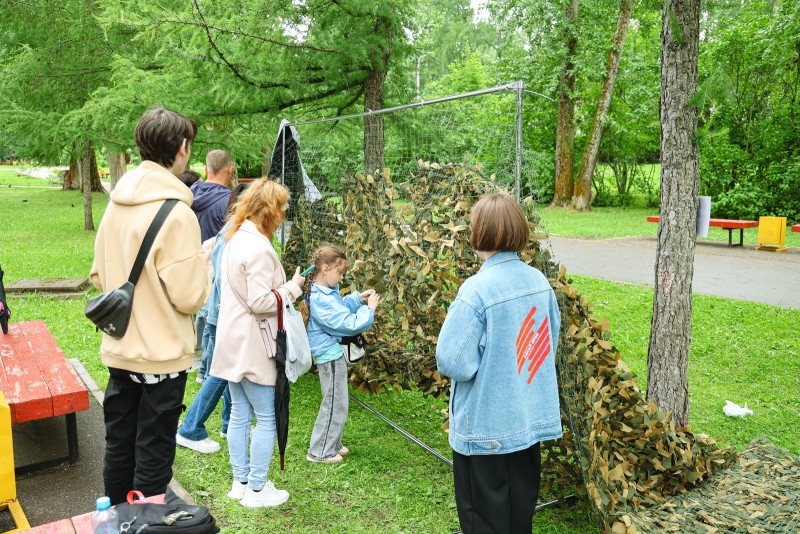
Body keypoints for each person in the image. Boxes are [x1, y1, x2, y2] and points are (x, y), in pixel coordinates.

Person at [89, 106, 210, 505]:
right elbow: (190, 296)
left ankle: (115, 521)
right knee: (153, 453)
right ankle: (145, 524)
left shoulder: (115, 203)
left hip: (120, 349)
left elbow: (97, 276)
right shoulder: (177, 212)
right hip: (161, 357)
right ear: (182, 147)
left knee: (119, 445)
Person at [435, 191, 562, 534]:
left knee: (484, 524)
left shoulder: (476, 291)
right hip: (528, 425)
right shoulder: (539, 282)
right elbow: (549, 341)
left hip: (485, 432)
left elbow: (452, 361)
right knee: (519, 520)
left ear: (478, 234)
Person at [209, 179, 305, 508]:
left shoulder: (235, 238)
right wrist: (293, 287)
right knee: (265, 417)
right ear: (270, 210)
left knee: (238, 412)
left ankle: (242, 481)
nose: (284, 214)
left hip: (231, 339)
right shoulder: (260, 248)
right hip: (254, 342)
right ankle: (258, 489)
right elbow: (261, 301)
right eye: (282, 208)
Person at [176, 183, 249, 454]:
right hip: (225, 315)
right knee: (220, 373)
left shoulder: (233, 233)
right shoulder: (231, 236)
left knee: (231, 373)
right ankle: (190, 428)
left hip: (224, 314)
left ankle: (229, 423)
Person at [303, 245, 380, 464]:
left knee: (337, 400)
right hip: (329, 355)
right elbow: (347, 324)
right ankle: (320, 451)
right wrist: (370, 310)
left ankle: (332, 443)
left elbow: (340, 308)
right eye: (340, 272)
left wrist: (358, 300)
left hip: (331, 353)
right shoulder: (322, 299)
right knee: (335, 403)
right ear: (325, 268)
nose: (342, 277)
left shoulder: (325, 292)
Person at [192, 150, 234, 376]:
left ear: (206, 169)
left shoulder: (188, 195)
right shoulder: (230, 201)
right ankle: (209, 369)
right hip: (215, 270)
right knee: (212, 320)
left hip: (189, 266)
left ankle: (196, 352)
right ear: (230, 169)